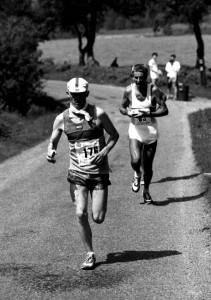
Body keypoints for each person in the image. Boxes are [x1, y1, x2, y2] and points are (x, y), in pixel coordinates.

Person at [46, 77, 119, 270]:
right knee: (80, 213)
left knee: (98, 218)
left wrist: (103, 152)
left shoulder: (99, 114)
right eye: (74, 95)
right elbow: (53, 139)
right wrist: (51, 150)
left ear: (86, 94)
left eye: (80, 95)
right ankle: (90, 253)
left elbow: (115, 135)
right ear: (68, 94)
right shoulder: (62, 118)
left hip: (98, 173)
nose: (77, 98)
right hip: (77, 172)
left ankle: (96, 220)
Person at [119, 64, 168, 204]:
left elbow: (165, 110)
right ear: (132, 77)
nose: (139, 81)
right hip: (135, 131)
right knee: (135, 160)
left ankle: (146, 190)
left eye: (141, 78)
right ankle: (136, 174)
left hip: (150, 132)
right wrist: (128, 112)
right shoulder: (128, 90)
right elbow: (122, 107)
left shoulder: (153, 90)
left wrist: (148, 112)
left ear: (145, 77)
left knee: (148, 167)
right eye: (136, 78)